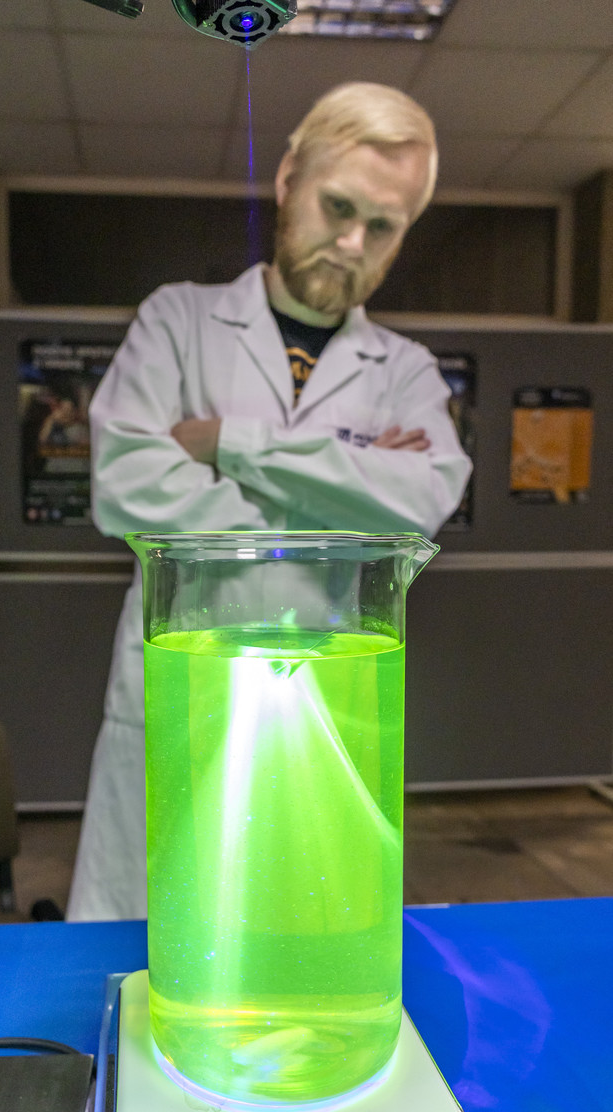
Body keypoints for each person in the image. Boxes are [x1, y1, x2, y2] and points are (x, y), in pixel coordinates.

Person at [66, 81, 472, 921]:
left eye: (383, 226)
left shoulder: (405, 370)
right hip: (181, 693)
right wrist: (337, 504)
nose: (352, 243)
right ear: (288, 179)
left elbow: (422, 502)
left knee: (305, 933)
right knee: (146, 932)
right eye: (338, 207)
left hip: (324, 700)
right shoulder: (177, 322)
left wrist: (230, 444)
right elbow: (126, 482)